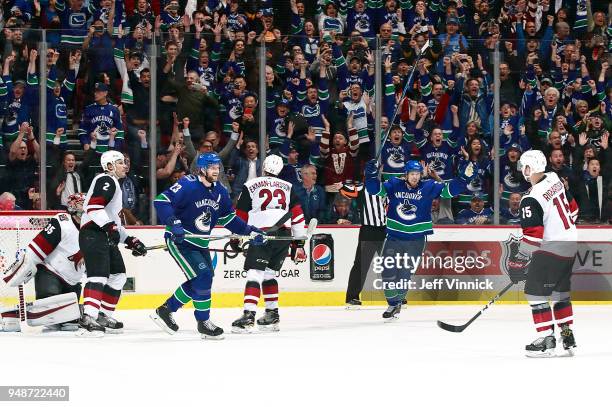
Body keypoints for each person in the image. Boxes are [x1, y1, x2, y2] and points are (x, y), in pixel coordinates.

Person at [151, 152, 265, 339]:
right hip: (181, 241)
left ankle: (166, 309)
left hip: (200, 242)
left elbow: (230, 220)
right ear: (202, 169)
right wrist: (174, 223)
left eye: (217, 167)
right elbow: (161, 201)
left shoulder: (220, 191)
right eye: (212, 167)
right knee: (203, 277)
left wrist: (251, 231)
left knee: (203, 279)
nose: (216, 170)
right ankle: (203, 322)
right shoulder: (187, 184)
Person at [364, 159, 476, 320]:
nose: (415, 177)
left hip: (416, 239)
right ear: (406, 175)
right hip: (394, 236)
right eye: (412, 174)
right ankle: (392, 303)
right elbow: (374, 190)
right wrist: (370, 175)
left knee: (404, 272)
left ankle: (397, 303)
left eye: (417, 174)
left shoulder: (429, 186)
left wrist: (463, 179)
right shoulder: (395, 184)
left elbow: (449, 191)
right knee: (387, 272)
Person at [507, 150, 578, 357]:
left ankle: (547, 340)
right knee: (559, 293)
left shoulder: (530, 199)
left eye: (524, 167)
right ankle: (567, 336)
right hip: (570, 244)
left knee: (535, 293)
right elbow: (573, 210)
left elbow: (533, 236)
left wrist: (519, 261)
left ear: (529, 168)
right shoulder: (555, 179)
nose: (522, 171)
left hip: (552, 249)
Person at [231, 154, 307, 333]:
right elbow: (297, 216)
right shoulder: (289, 187)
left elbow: (240, 215)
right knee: (269, 274)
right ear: (280, 170)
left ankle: (248, 316)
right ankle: (272, 314)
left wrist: (236, 237)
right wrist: (299, 244)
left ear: (263, 167)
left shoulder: (250, 185)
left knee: (254, 274)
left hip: (262, 234)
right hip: (283, 236)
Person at [78, 151, 148, 337]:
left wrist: (130, 240)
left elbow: (114, 223)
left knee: (118, 276)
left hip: (102, 235)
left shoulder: (114, 184)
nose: (125, 165)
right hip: (93, 234)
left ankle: (103, 315)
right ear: (109, 166)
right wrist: (110, 228)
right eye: (119, 162)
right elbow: (94, 207)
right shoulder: (106, 180)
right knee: (98, 276)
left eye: (124, 162)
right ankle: (88, 318)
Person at [1, 193, 86, 332]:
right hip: (50, 276)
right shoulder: (63, 222)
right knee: (49, 316)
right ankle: (11, 315)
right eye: (82, 204)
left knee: (71, 324)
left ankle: (66, 315)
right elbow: (38, 247)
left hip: (73, 283)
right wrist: (24, 265)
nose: (86, 208)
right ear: (72, 207)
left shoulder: (93, 229)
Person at [341, 181, 387, 308]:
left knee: (392, 263)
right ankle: (352, 297)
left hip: (387, 229)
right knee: (361, 264)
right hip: (369, 230)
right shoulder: (363, 187)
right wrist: (343, 183)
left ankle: (397, 296)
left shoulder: (390, 185)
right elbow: (346, 191)